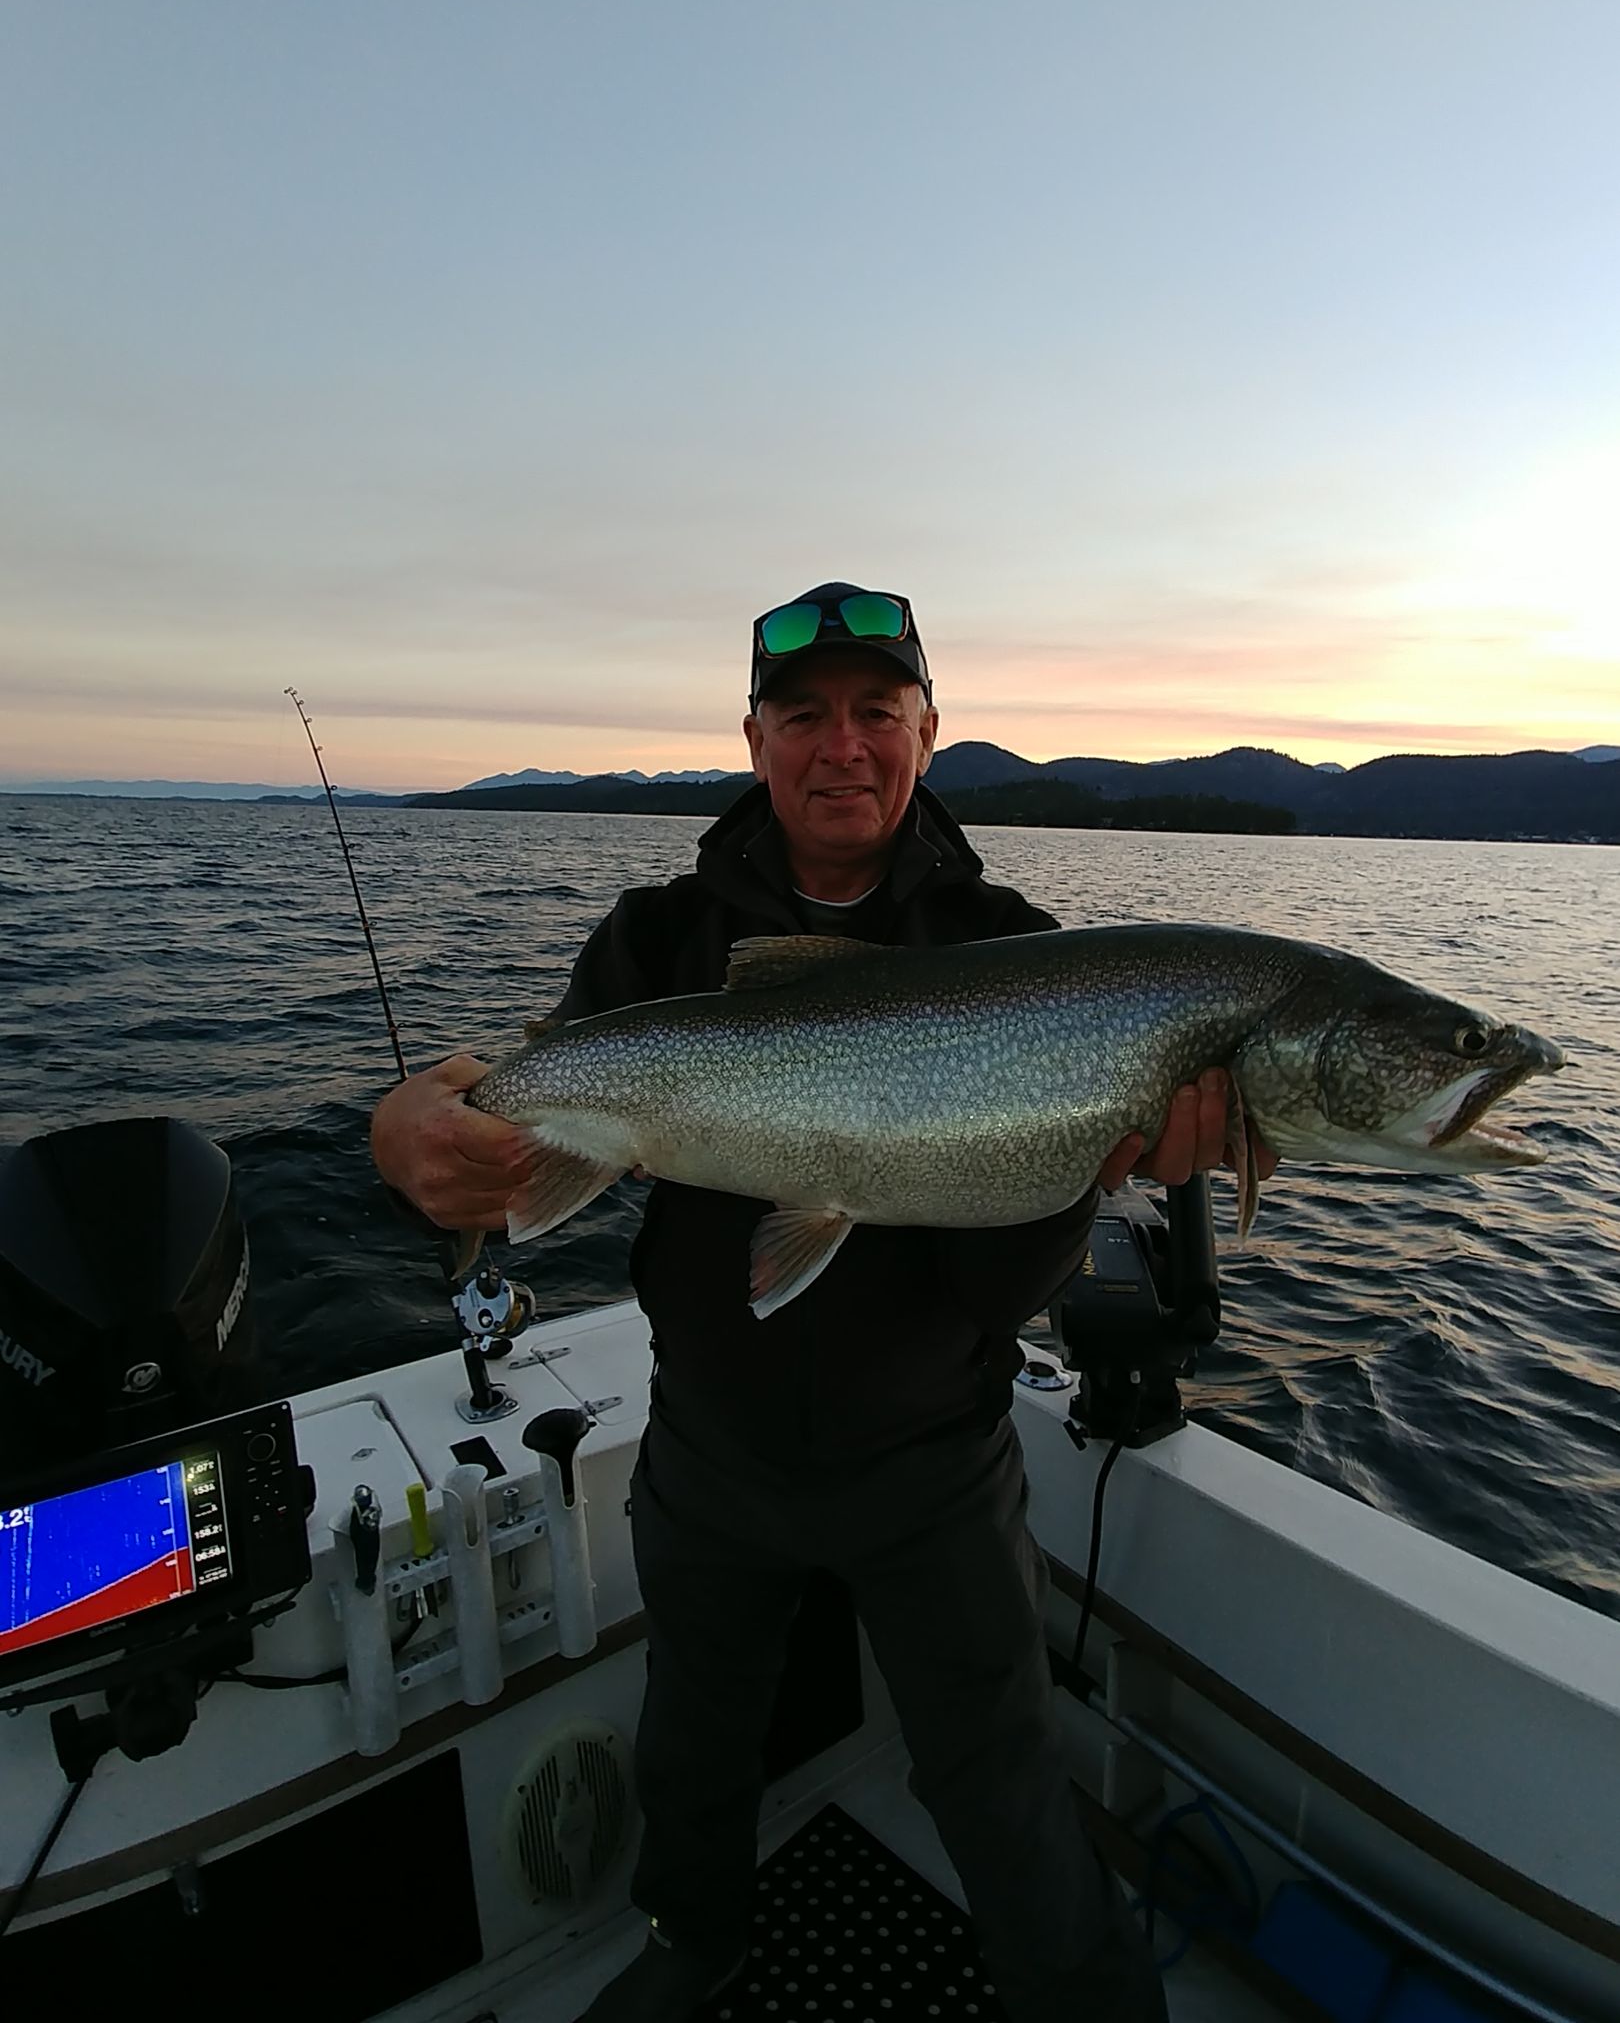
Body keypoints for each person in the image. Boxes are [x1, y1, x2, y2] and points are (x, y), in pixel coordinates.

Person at [371, 584, 1270, 2023]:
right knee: (694, 1737)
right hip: (709, 1450)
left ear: (929, 732)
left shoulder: (1019, 952)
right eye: (804, 715)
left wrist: (1086, 1168)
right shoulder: (658, 937)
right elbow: (504, 1095)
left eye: (875, 713)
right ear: (755, 739)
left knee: (1001, 1771)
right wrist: (406, 1125)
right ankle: (691, 1939)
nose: (841, 746)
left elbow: (996, 1289)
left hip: (933, 1460)